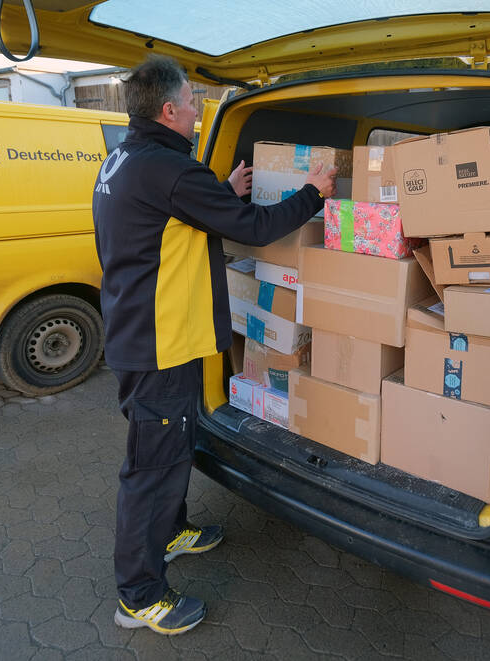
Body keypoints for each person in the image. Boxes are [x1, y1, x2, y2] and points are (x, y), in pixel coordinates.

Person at [92, 55, 337, 635]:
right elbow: (253, 228)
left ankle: (171, 530)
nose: (198, 108)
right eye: (191, 100)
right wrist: (313, 193)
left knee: (171, 448)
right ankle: (139, 595)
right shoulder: (171, 170)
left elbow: (167, 217)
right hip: (160, 343)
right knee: (150, 467)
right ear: (168, 110)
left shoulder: (127, 158)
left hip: (140, 332)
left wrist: (220, 192)